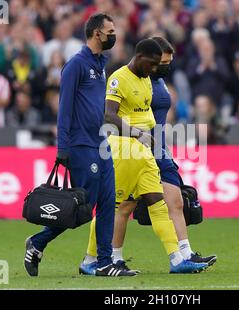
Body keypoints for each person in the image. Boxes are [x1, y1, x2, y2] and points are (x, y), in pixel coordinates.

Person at [80, 39, 208, 275]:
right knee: (114, 207)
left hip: (145, 151)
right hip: (124, 150)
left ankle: (177, 259)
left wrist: (151, 136)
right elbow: (108, 115)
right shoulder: (119, 78)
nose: (155, 70)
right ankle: (90, 260)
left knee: (158, 203)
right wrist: (137, 133)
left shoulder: (147, 79)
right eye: (152, 64)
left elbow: (145, 113)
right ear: (139, 57)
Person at [24, 13, 136, 277]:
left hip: (101, 144)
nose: (114, 35)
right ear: (97, 33)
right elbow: (64, 110)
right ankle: (37, 242)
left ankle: (104, 262)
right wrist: (62, 148)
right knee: (83, 208)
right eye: (110, 30)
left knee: (109, 202)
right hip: (80, 145)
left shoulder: (100, 65)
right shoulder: (76, 65)